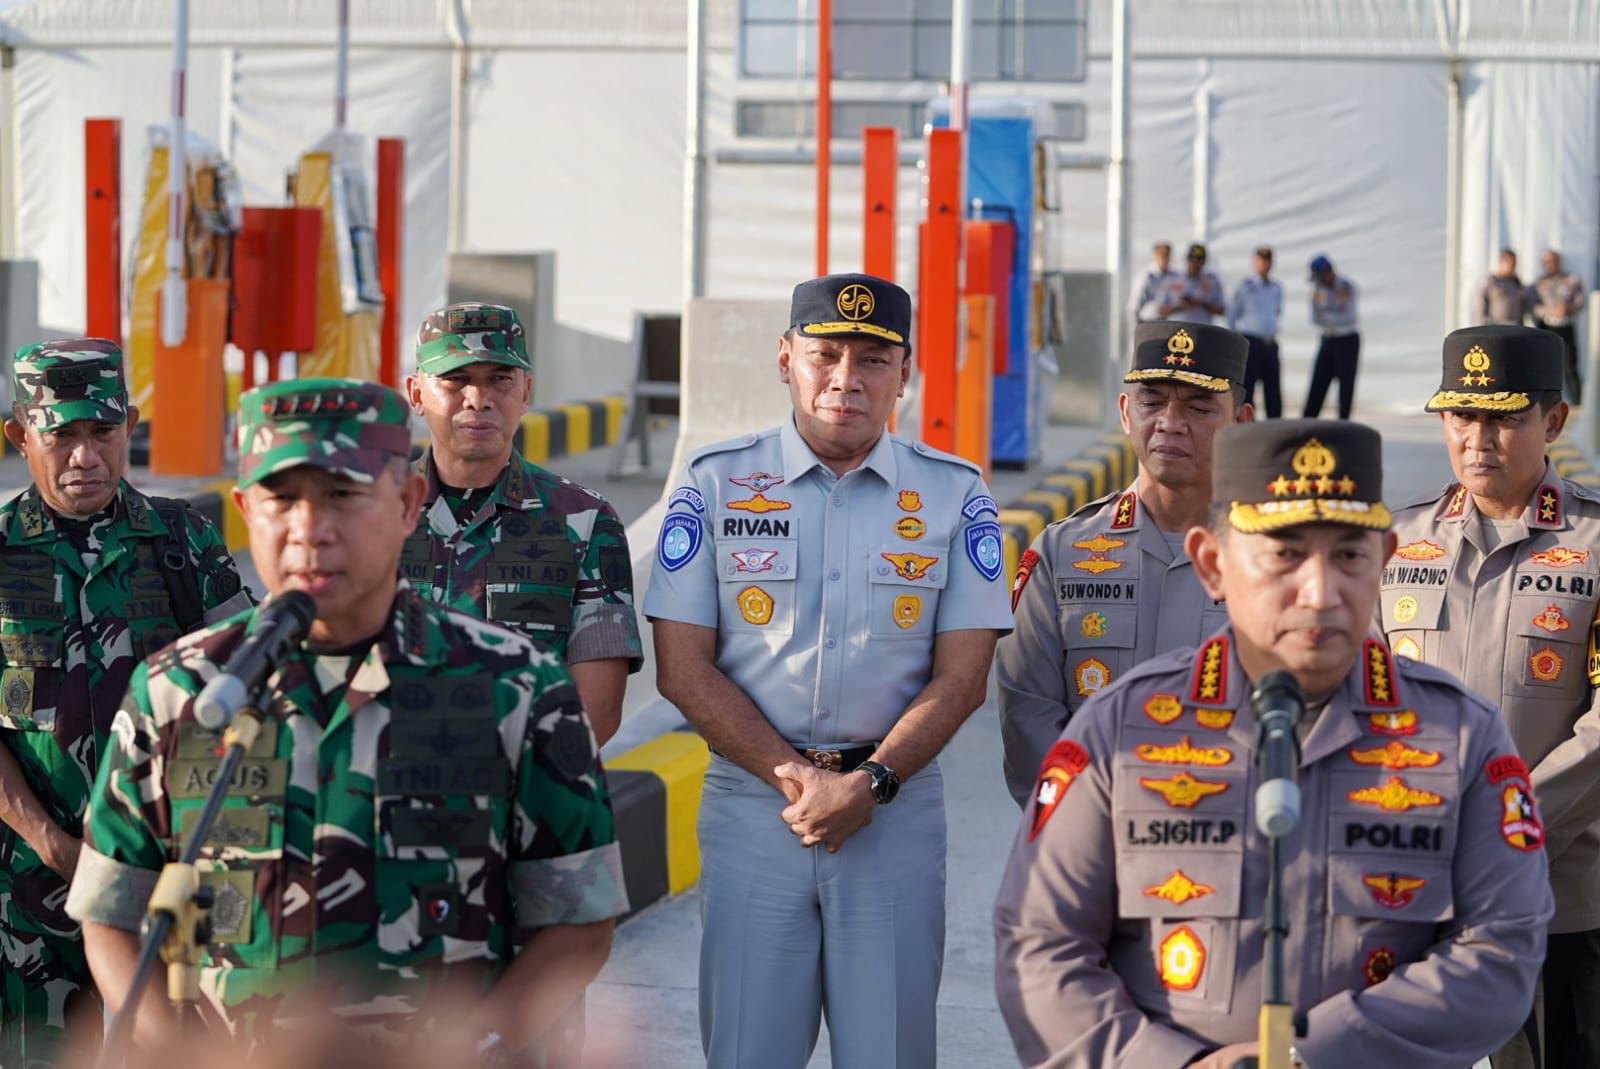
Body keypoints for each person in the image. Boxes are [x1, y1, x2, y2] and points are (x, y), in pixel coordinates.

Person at [65, 378, 626, 1056]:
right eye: (282, 498)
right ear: (244, 509)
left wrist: (476, 1042)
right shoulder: (176, 690)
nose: (311, 530)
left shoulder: (516, 688)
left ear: (408, 503)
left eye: (343, 495)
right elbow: (113, 913)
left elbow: (581, 918)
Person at [995, 418, 1553, 1069]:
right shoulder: (1120, 729)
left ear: (1385, 558)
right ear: (1213, 564)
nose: (1320, 592)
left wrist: (1311, 1056)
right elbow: (1040, 944)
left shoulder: (1462, 737)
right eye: (1285, 552)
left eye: (1348, 553)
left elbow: (1501, 951)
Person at [644, 273, 1012, 1068]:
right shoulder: (713, 483)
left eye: (874, 358)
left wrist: (870, 782)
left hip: (894, 813)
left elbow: (962, 679)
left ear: (904, 373)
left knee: (890, 1053)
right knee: (748, 1051)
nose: (847, 377)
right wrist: (794, 777)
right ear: (785, 358)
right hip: (754, 808)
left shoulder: (956, 496)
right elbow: (681, 666)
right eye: (825, 354)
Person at [0, 338, 250, 1066]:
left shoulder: (184, 543)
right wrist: (50, 841)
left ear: (129, 426)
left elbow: (253, 698)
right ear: (20, 436)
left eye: (102, 432)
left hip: (168, 888)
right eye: (63, 434)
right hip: (29, 895)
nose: (85, 455)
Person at [1383, 325, 1600, 1069]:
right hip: (1410, 890)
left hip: (1555, 903)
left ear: (1555, 421)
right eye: (1461, 416)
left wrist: (1500, 833)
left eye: (1505, 417)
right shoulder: (1395, 541)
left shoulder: (1596, 543)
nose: (1479, 438)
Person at [997, 321, 1251, 804]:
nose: (1170, 422)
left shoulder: (1273, 560)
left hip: (1231, 835)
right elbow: (1028, 716)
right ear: (1125, 412)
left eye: (1199, 407)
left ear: (1240, 423)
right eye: (1152, 402)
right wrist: (1088, 822)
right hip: (1090, 836)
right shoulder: (1061, 552)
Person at [402, 302, 642, 747]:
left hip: (526, 796)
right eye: (455, 380)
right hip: (387, 785)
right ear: (416, 394)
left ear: (526, 391)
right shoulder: (374, 516)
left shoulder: (585, 521)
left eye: (500, 379)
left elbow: (598, 707)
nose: (479, 398)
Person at [1227, 245, 1284, 417]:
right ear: (1254, 262)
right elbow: (1232, 315)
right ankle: (1248, 427)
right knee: (1248, 388)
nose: (1264, 265)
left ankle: (1275, 428)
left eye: (1267, 261)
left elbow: (1277, 312)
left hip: (1269, 342)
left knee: (1273, 390)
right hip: (1251, 342)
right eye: (1261, 261)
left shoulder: (1276, 287)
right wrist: (1237, 342)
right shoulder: (1245, 286)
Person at [1303, 253, 1361, 419]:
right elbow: (1315, 318)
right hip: (1327, 338)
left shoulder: (1346, 287)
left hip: (1347, 340)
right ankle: (1307, 423)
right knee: (1318, 384)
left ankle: (1344, 424)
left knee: (1345, 387)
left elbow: (1349, 317)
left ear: (1329, 272)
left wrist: (1326, 316)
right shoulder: (1317, 290)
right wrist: (1332, 317)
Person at [1530, 248, 1587, 405]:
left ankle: (1577, 403)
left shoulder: (1571, 279)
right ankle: (1546, 404)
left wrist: (1569, 309)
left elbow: (1580, 301)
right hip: (1547, 327)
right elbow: (1532, 306)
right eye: (1547, 262)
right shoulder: (1538, 284)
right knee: (1547, 366)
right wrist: (1550, 311)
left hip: (1565, 327)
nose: (1551, 264)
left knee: (1570, 365)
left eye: (1554, 261)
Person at [1154, 243, 1226, 325]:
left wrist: (1203, 304)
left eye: (1199, 263)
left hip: (1202, 330)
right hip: (1178, 331)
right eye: (1193, 262)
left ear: (1204, 263)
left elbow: (1222, 310)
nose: (1196, 266)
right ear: (1187, 260)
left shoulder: (1212, 281)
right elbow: (1160, 309)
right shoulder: (1172, 279)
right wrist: (1178, 306)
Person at [1476, 248, 1532, 326]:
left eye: (1515, 264)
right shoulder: (1491, 281)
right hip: (1496, 326)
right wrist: (1482, 325)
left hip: (1515, 326)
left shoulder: (1516, 282)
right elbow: (1480, 305)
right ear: (1502, 262)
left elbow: (1522, 304)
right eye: (1511, 264)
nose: (1513, 267)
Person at [1127, 241, 1176, 327]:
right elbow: (1133, 307)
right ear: (1155, 256)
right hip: (1148, 323)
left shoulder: (1174, 275)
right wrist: (1138, 329)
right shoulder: (1146, 277)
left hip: (1168, 324)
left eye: (1167, 255)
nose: (1164, 258)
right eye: (1161, 255)